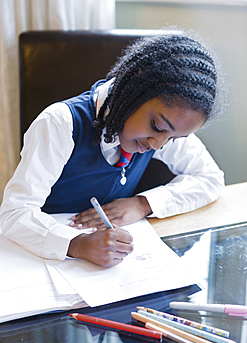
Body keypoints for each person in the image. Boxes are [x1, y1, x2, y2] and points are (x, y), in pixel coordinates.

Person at [0, 31, 225, 268]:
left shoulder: (166, 129)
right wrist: (78, 244)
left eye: (175, 138)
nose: (157, 144)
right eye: (156, 127)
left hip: (104, 268)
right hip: (44, 258)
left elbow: (210, 178)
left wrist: (143, 204)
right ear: (137, 89)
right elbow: (14, 213)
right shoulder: (60, 124)